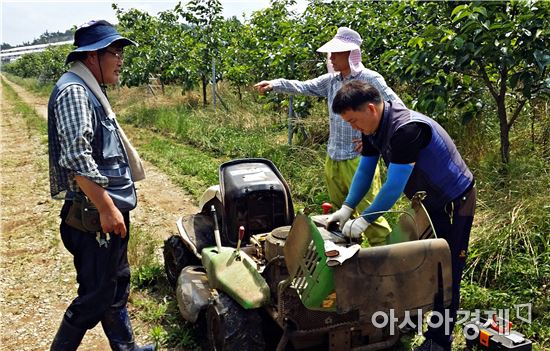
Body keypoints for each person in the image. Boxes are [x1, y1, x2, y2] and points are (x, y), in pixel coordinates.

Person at [330, 80, 476, 351]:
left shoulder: (405, 130)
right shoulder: (372, 127)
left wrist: (364, 221)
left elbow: (394, 185)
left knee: (447, 271)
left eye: (353, 120)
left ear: (371, 108)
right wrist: (347, 208)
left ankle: (439, 341)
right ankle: (410, 318)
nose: (353, 126)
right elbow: (365, 171)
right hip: (425, 202)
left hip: (455, 201)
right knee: (417, 261)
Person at [47, 20, 153, 351]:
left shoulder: (88, 88)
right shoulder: (76, 91)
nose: (121, 59)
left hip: (104, 213)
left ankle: (127, 348)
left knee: (115, 286)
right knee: (95, 296)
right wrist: (107, 208)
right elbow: (77, 157)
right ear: (93, 56)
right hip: (94, 217)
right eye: (115, 52)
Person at [254, 27, 403, 245]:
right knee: (340, 211)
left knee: (369, 214)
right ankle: (351, 254)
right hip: (333, 156)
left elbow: (397, 107)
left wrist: (377, 139)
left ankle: (387, 259)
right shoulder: (331, 81)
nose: (331, 58)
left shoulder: (370, 79)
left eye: (335, 53)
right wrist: (276, 84)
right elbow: (304, 86)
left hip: (359, 159)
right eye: (330, 54)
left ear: (351, 54)